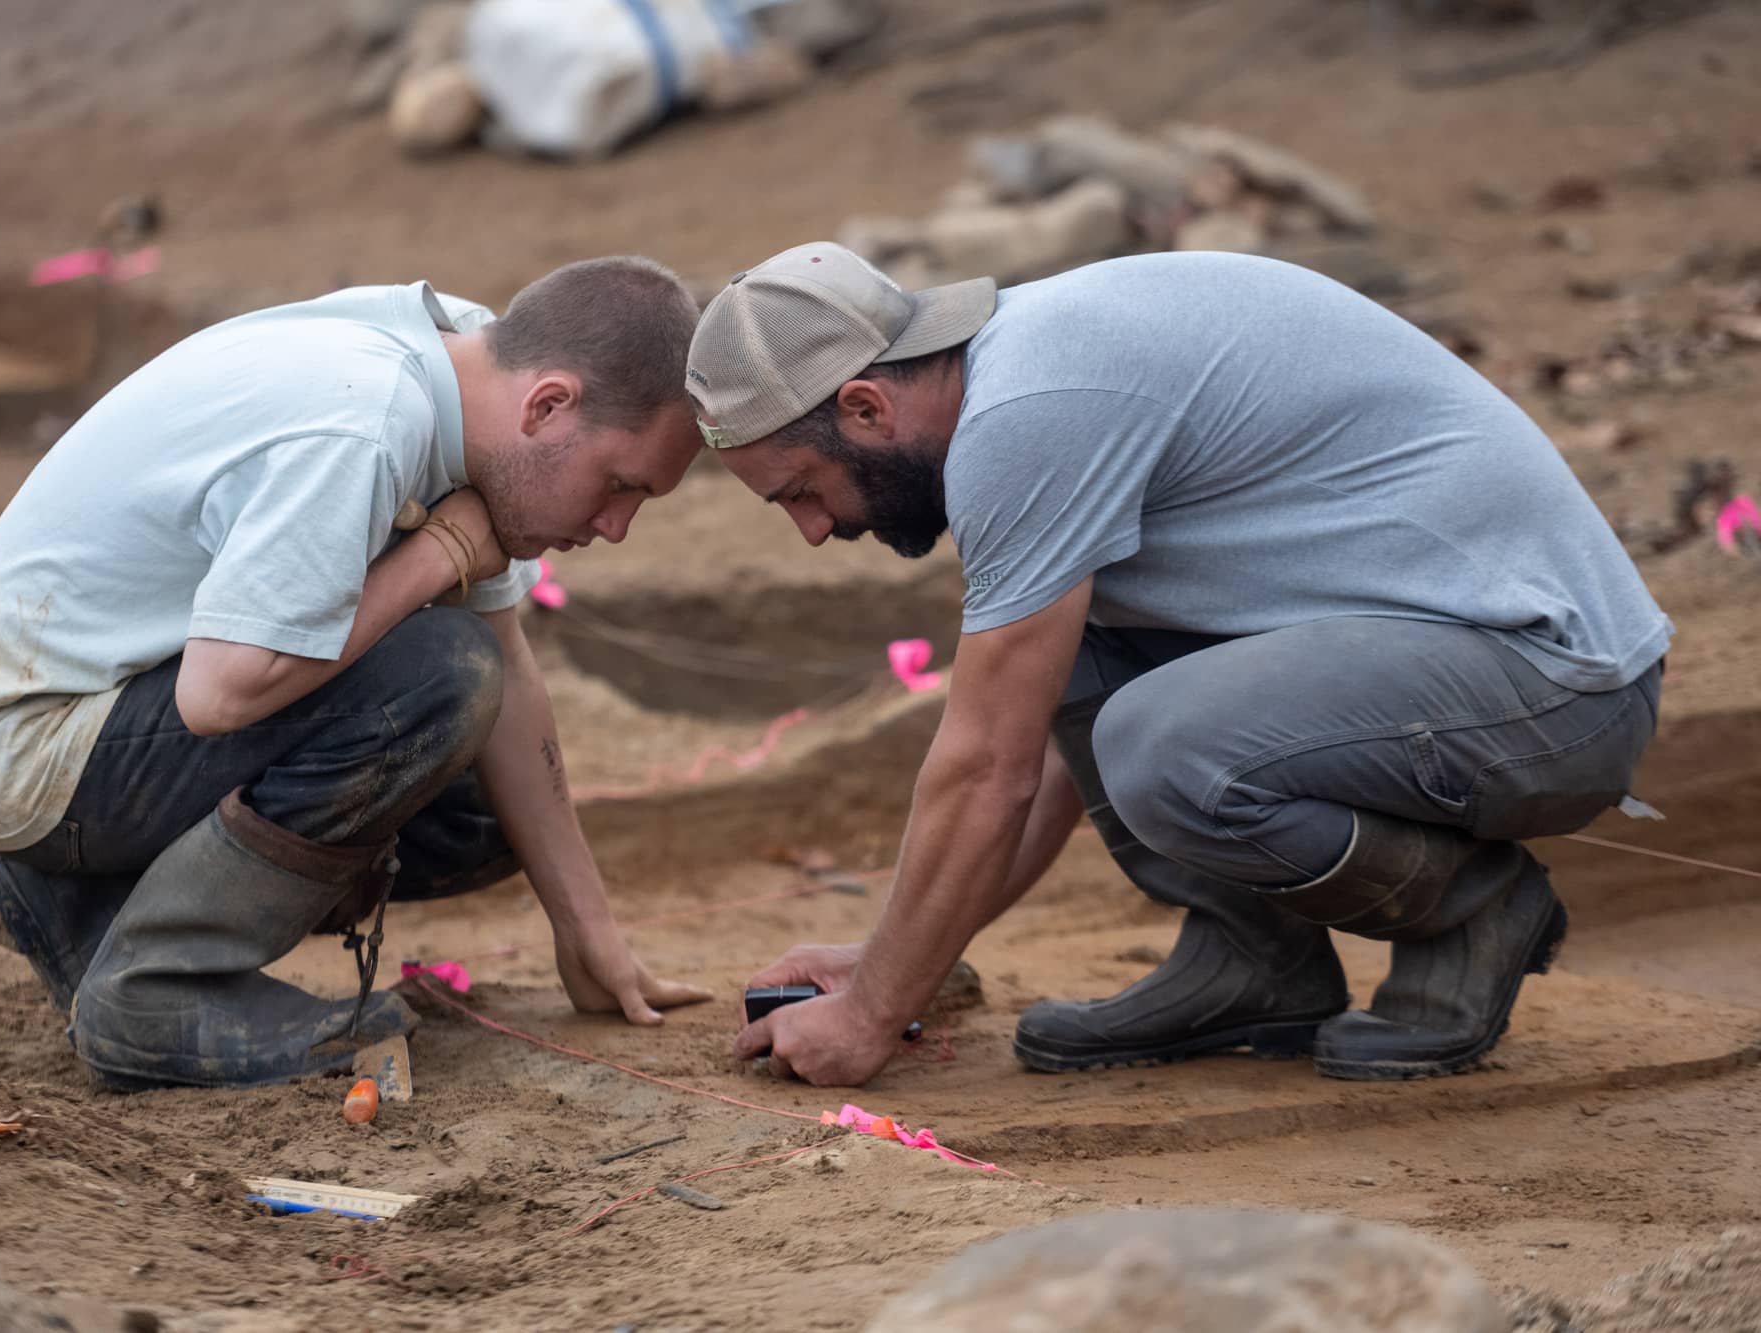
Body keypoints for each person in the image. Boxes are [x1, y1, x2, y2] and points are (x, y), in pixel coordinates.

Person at [687, 243, 1668, 1086]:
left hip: (1551, 684)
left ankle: (1474, 911)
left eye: (799, 493)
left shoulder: (1030, 413)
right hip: (1442, 654)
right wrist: (888, 966)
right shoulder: (1019, 371)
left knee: (1159, 750)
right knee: (1082, 670)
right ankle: (1255, 962)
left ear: (862, 408)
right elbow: (1033, 750)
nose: (813, 533)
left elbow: (990, 767)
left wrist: (867, 1017)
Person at [0, 257, 711, 1090]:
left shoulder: (475, 365)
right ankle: (156, 991)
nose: (617, 526)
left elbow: (509, 676)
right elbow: (219, 692)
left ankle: (78, 906)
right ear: (549, 406)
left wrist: (588, 933)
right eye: (620, 484)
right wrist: (439, 555)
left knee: (486, 801)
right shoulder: (365, 424)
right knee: (439, 677)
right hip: (26, 745)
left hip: (95, 716)